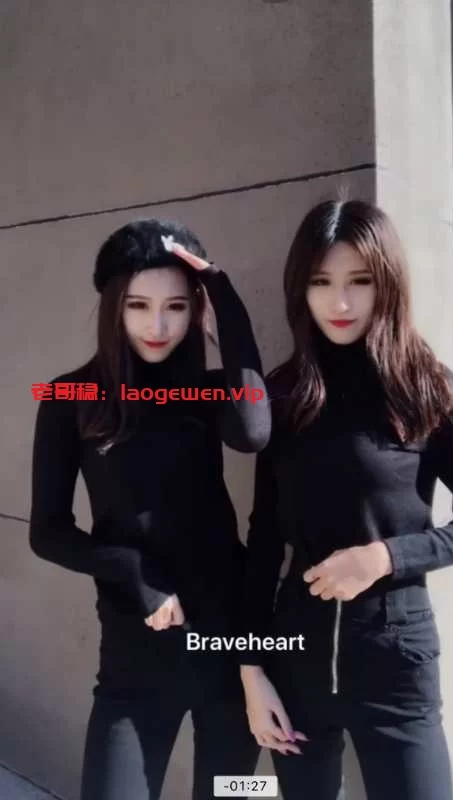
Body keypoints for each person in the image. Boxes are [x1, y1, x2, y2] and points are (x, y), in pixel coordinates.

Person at [239, 199, 453, 800]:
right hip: (294, 657)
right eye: (321, 282)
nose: (341, 302)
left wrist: (385, 557)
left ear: (387, 283)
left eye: (359, 281)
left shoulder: (427, 386)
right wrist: (251, 670)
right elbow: (263, 539)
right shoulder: (283, 393)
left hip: (395, 657)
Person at [29, 218, 270, 800]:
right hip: (133, 661)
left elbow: (254, 432)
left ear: (196, 311)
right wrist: (135, 572)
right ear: (114, 306)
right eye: (138, 305)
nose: (157, 326)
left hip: (234, 654)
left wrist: (222, 293)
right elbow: (48, 532)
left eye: (177, 307)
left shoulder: (209, 392)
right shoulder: (68, 397)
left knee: (239, 795)